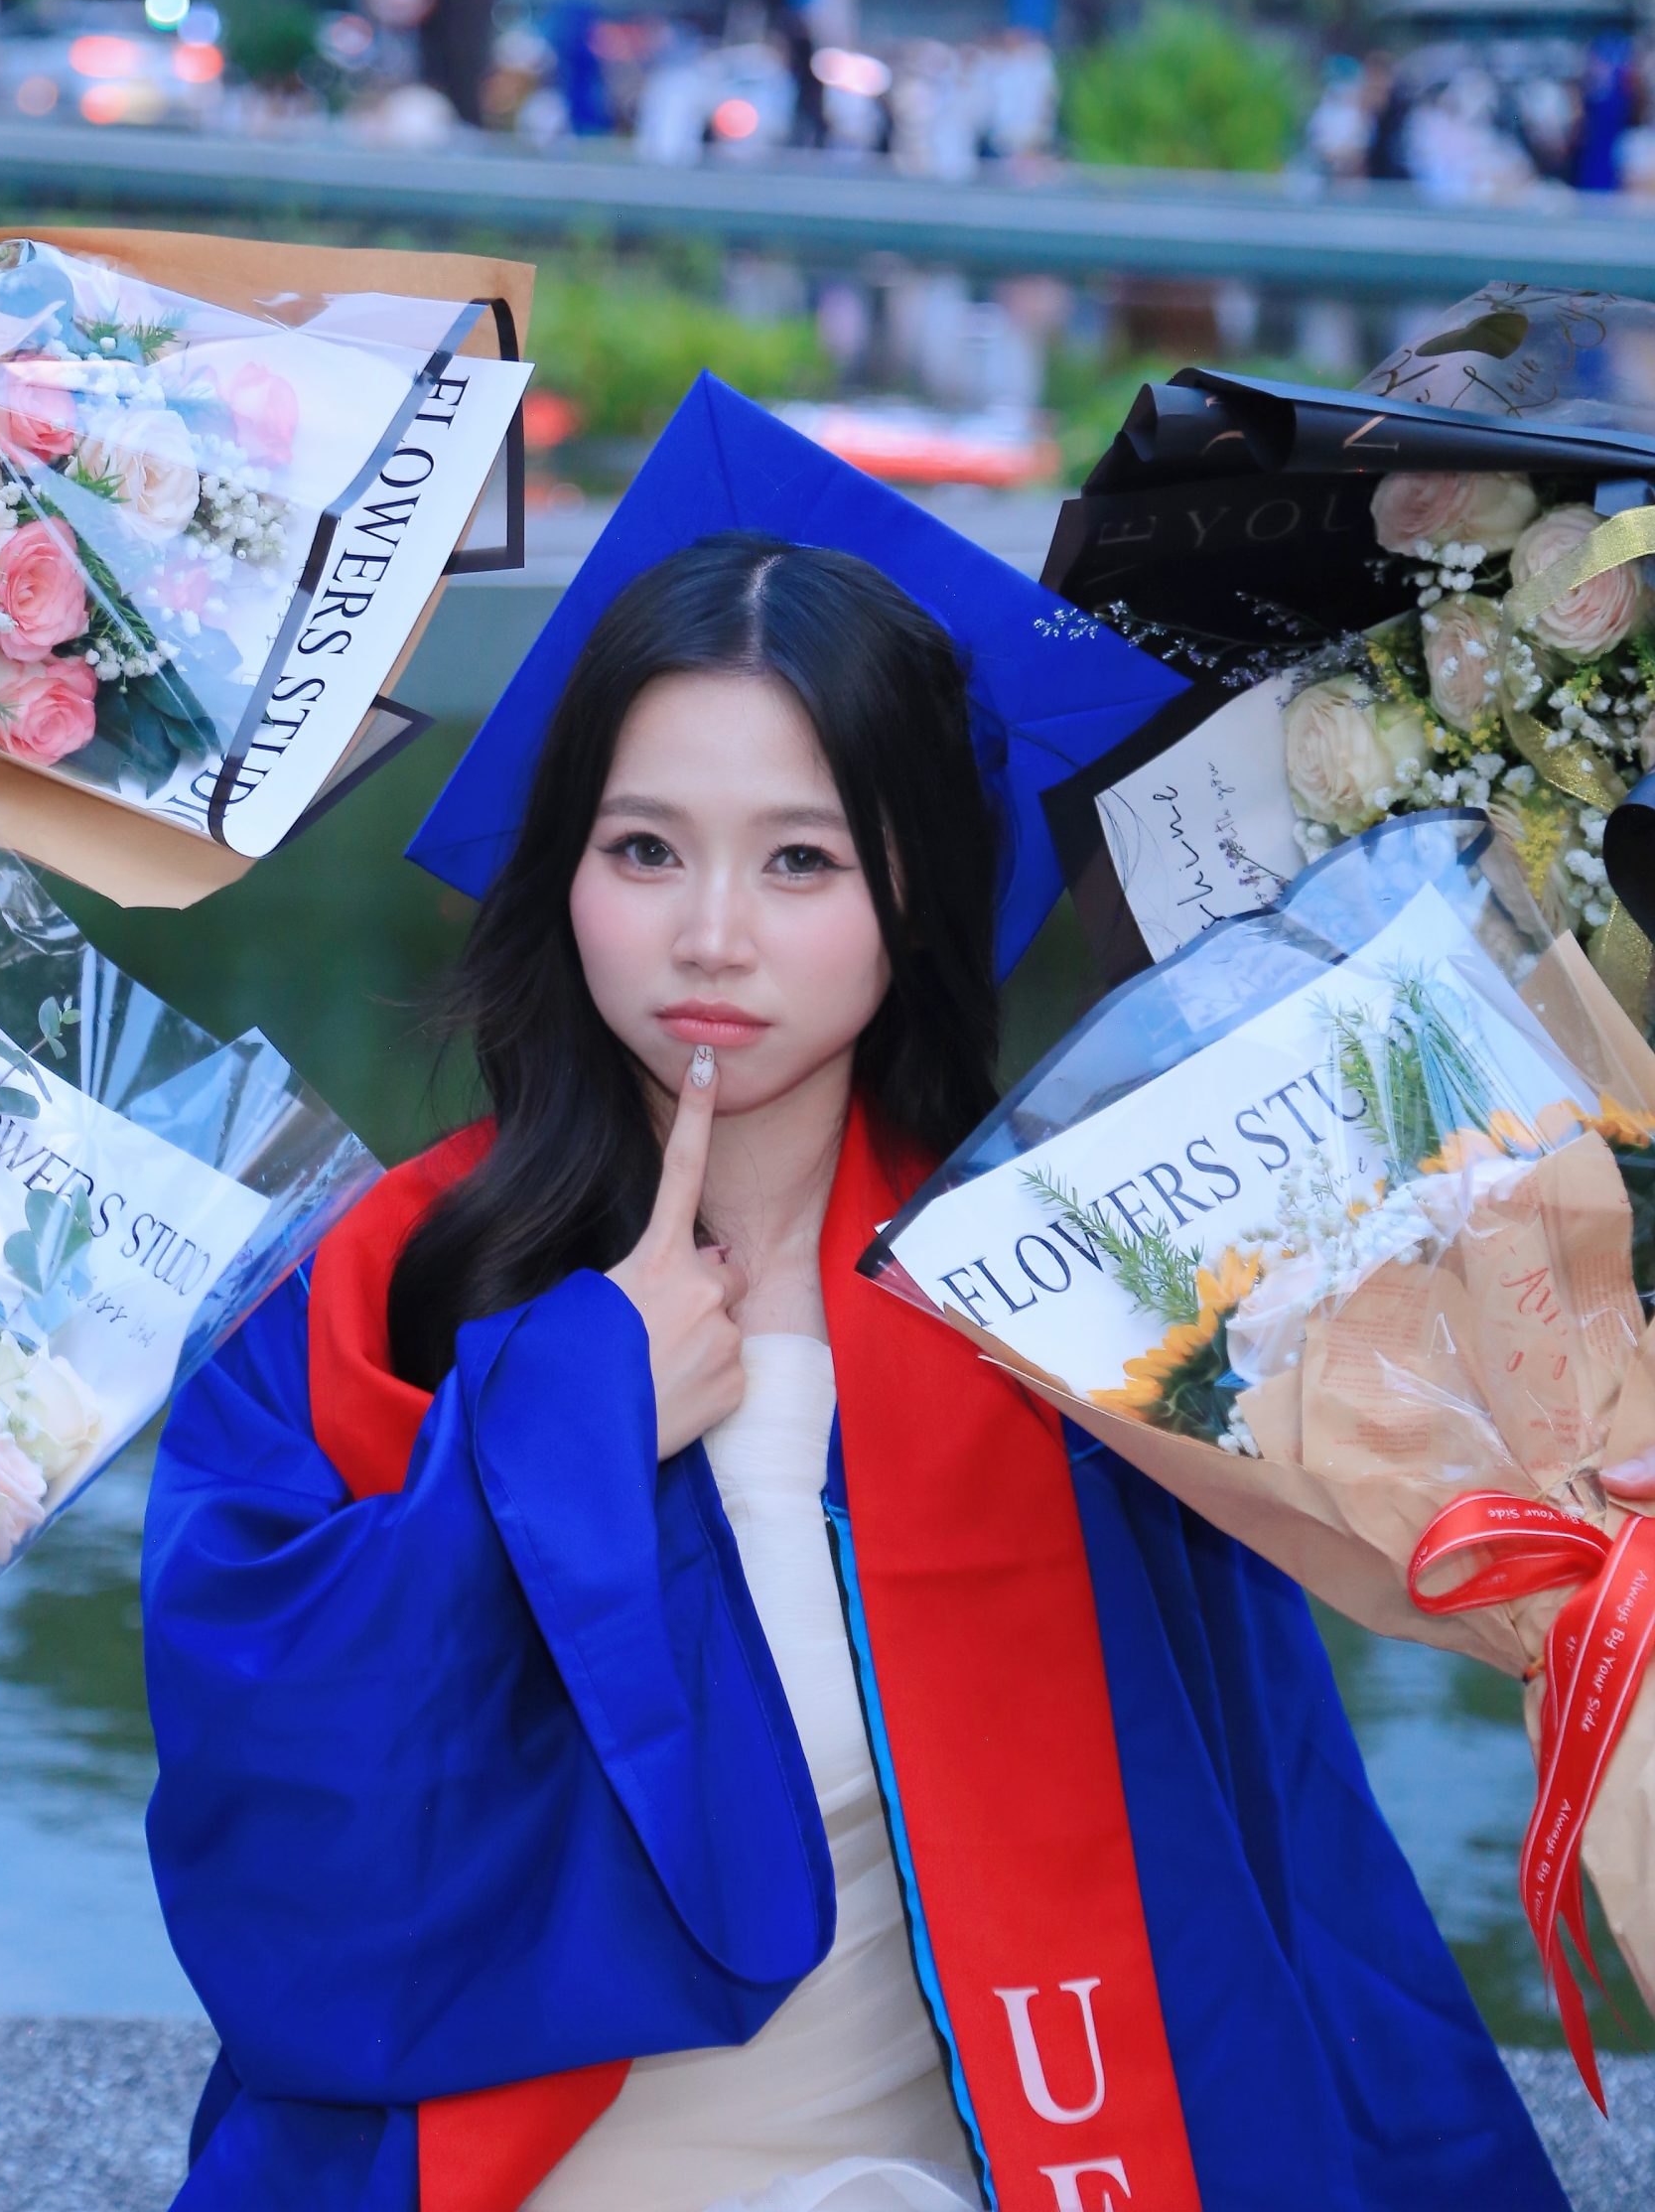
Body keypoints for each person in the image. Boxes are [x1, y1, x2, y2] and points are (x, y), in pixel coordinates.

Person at [142, 511, 1573, 2212]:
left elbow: (1271, 1851)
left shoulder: (1070, 1309)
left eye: (801, 862)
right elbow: (272, 1840)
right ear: (562, 870)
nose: (711, 935)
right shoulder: (374, 1293)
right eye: (645, 848)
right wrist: (566, 1424)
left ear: (916, 888)